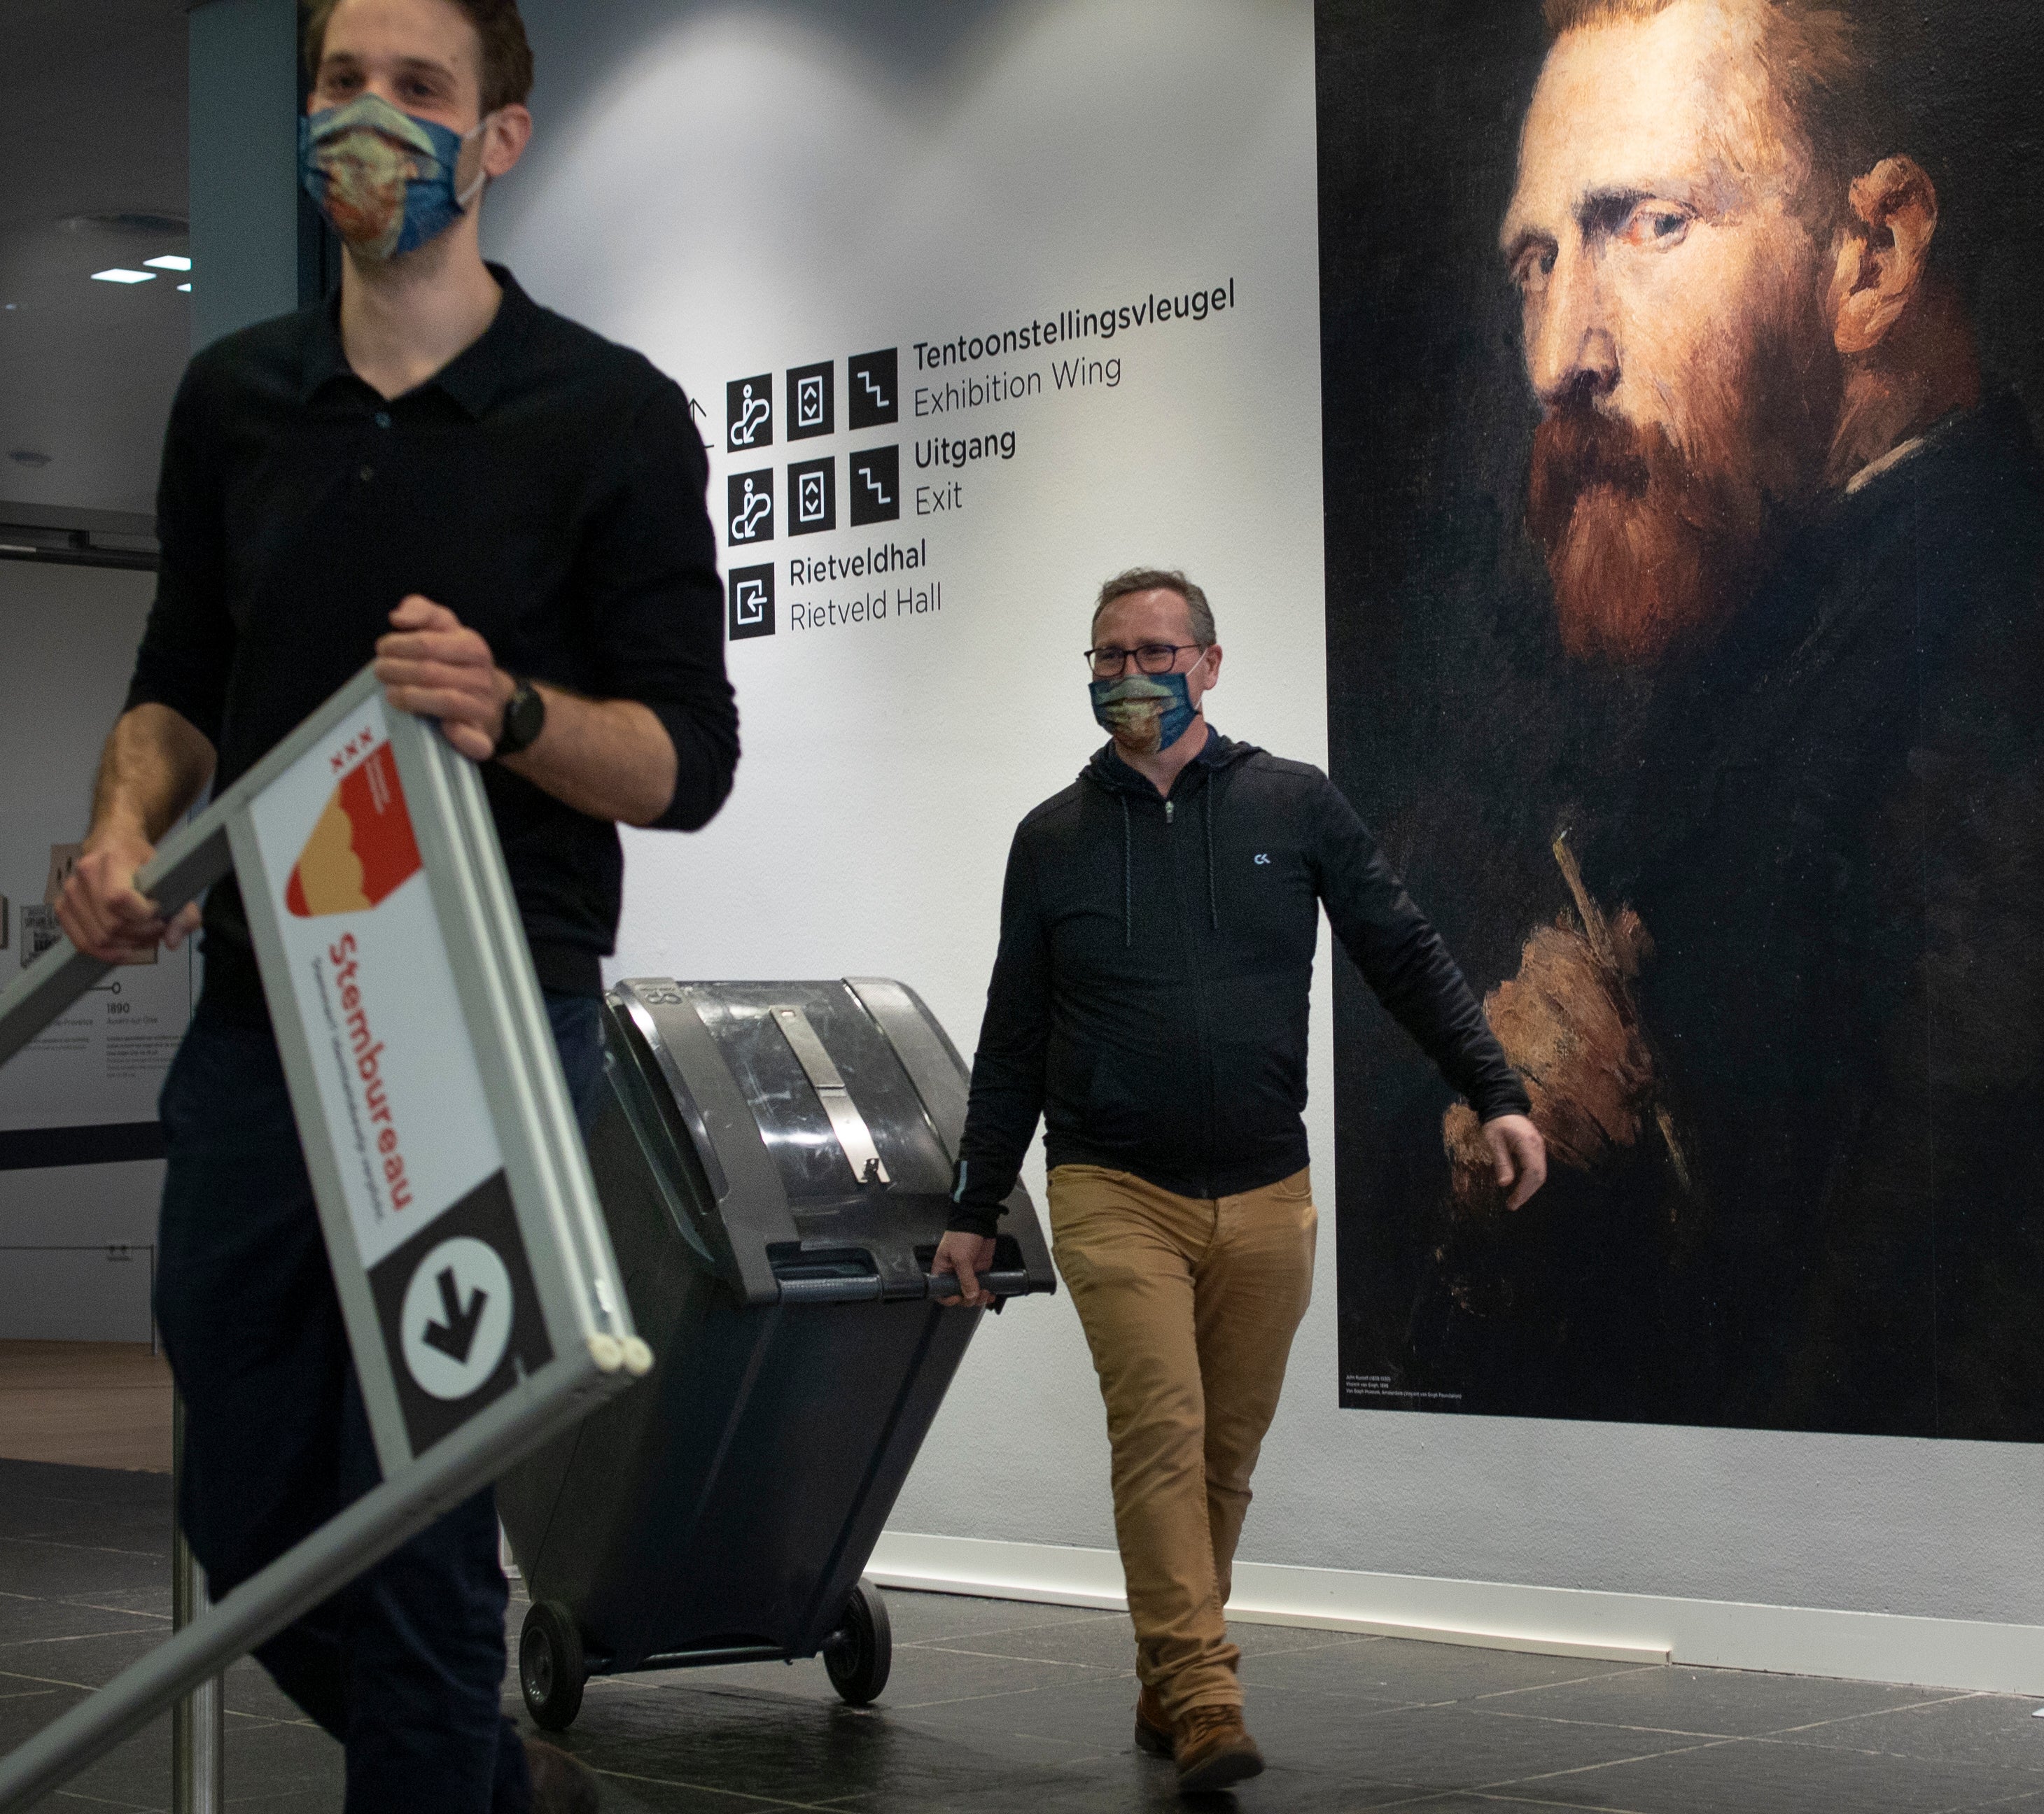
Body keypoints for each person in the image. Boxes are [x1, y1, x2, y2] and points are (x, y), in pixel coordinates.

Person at [54, 0, 738, 1807]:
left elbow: (687, 762)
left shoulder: (609, 415)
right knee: (245, 1494)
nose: (369, 119)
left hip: (490, 1023)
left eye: (417, 90)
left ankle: (448, 1779)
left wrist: (508, 710)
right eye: (341, 83)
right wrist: (123, 833)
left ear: (500, 137)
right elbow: (178, 681)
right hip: (261, 1019)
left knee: (421, 1512)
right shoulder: (237, 403)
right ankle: (488, 1788)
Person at [1421, 0, 2044, 1435]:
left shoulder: (1984, 658)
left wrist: (1609, 1163)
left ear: (1871, 259)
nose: (1557, 355)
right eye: (1535, 259)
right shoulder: (1760, 633)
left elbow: (1910, 1359)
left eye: (1642, 224)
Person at [931, 568, 1544, 1794]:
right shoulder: (1050, 838)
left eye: (1155, 651)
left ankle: (1167, 1674)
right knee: (1159, 1432)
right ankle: (1208, 1697)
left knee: (1223, 1457)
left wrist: (1498, 1089)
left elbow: (1404, 954)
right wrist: (972, 1209)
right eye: (1107, 656)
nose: (1129, 675)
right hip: (1113, 1189)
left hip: (1268, 1190)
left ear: (1210, 664)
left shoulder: (1295, 804)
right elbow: (1012, 1036)